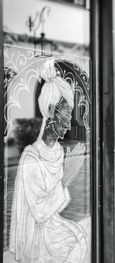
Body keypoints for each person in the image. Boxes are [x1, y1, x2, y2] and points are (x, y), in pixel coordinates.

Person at [9, 59, 87, 263]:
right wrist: (67, 178)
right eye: (66, 114)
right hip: (35, 234)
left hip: (51, 225)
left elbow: (55, 209)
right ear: (51, 112)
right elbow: (40, 212)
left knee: (80, 237)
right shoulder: (30, 156)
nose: (69, 122)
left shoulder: (58, 151)